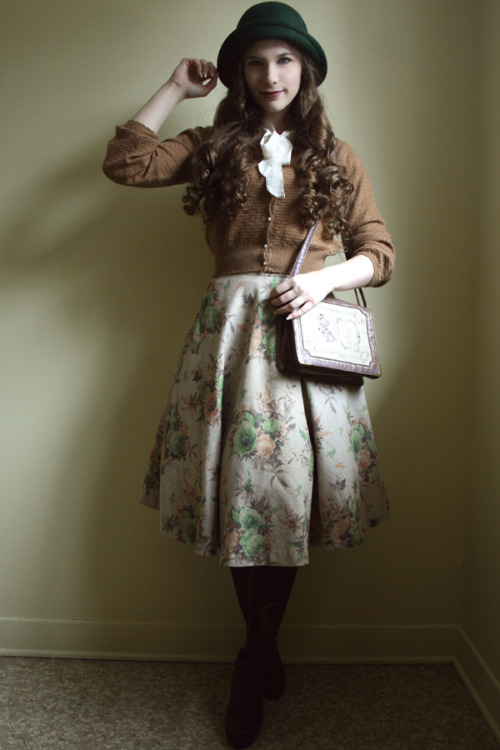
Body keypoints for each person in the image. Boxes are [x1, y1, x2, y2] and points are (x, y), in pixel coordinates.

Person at [103, 2, 395, 747]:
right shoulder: (212, 145)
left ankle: (253, 655)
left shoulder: (338, 156)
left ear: (308, 72)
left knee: (287, 501)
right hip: (229, 343)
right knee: (242, 499)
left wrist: (328, 281)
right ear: (240, 71)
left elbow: (379, 252)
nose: (273, 74)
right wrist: (173, 85)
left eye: (287, 60)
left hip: (308, 349)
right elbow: (126, 163)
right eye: (259, 61)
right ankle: (259, 652)